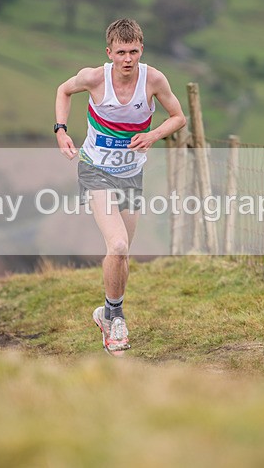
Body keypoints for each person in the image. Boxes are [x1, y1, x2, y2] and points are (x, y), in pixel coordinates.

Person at [54, 18, 187, 354]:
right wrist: (61, 131)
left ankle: (106, 311)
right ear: (109, 52)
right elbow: (63, 90)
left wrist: (154, 134)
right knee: (116, 245)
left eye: (134, 52)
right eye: (121, 52)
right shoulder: (94, 78)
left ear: (142, 50)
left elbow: (178, 116)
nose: (128, 59)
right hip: (94, 168)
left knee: (123, 251)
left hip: (131, 173)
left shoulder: (153, 79)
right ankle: (116, 320)